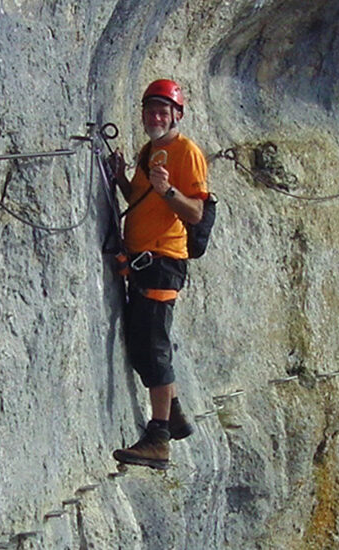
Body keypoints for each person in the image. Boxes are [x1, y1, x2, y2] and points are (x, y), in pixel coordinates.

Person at [108, 79, 209, 470]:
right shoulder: (150, 150)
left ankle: (159, 438)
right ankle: (175, 411)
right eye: (150, 109)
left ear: (177, 115)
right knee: (140, 345)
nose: (154, 116)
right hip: (143, 262)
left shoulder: (187, 153)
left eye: (162, 111)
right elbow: (139, 199)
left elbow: (196, 213)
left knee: (154, 346)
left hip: (163, 262)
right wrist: (120, 177)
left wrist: (169, 192)